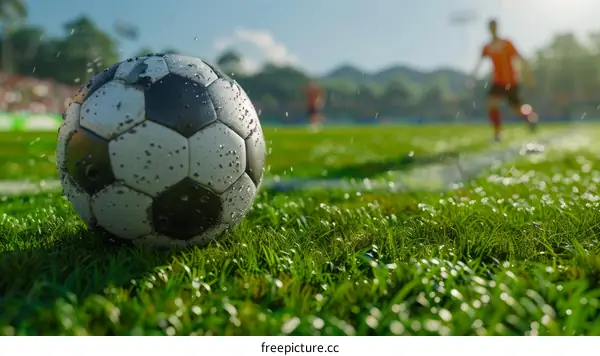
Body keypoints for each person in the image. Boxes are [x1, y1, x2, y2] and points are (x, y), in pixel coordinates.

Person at [469, 18, 538, 142]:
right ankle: (497, 133)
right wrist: (473, 77)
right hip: (498, 82)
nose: (492, 29)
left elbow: (520, 59)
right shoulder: (487, 47)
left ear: (497, 27)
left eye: (494, 26)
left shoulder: (507, 43)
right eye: (490, 27)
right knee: (492, 104)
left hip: (511, 81)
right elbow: (479, 62)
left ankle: (530, 116)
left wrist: (528, 76)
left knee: (517, 109)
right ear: (488, 29)